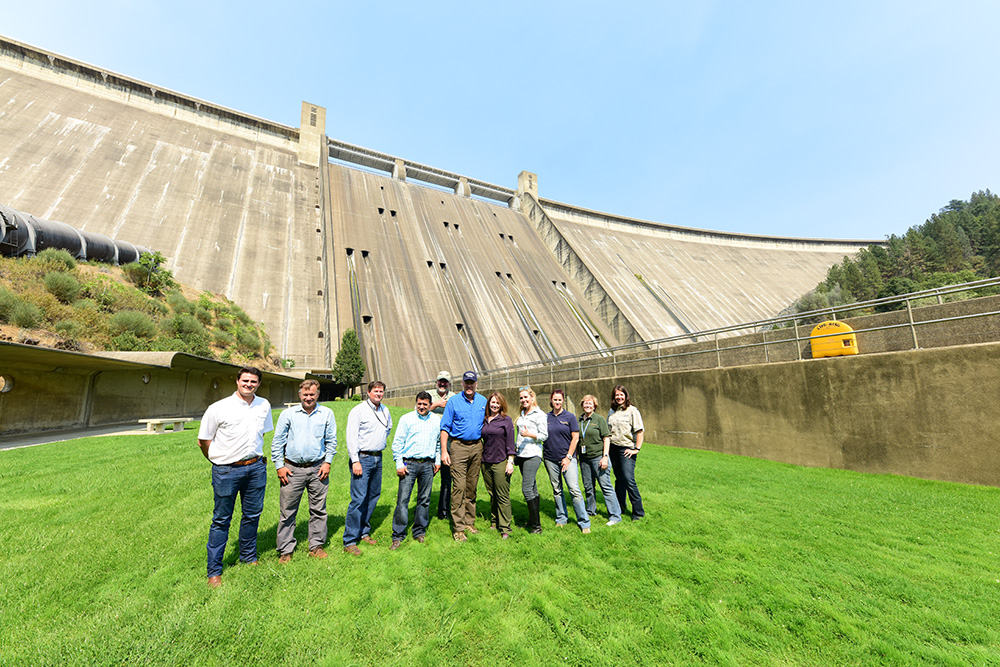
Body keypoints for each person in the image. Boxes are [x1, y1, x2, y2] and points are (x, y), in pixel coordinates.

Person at [197, 366, 273, 588]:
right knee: (221, 520)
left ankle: (248, 557)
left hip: (256, 468)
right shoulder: (219, 408)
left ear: (258, 384)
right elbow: (204, 440)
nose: (249, 384)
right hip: (226, 471)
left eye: (253, 381)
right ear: (237, 381)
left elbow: (262, 433)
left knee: (252, 515)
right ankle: (214, 572)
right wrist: (217, 460)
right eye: (245, 380)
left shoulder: (264, 405)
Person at [271, 379, 337, 563]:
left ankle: (316, 546)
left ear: (318, 394)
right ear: (300, 395)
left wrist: (328, 463)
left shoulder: (327, 414)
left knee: (318, 510)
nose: (309, 398)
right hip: (292, 470)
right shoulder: (288, 414)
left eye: (312, 394)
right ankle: (285, 549)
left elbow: (331, 441)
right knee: (288, 511)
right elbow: (277, 442)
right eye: (305, 394)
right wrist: (279, 466)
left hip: (318, 469)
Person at [343, 380, 392, 555]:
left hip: (378, 458)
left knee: (373, 496)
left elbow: (388, 429)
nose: (379, 394)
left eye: (381, 391)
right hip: (362, 459)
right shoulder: (358, 410)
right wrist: (355, 460)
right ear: (368, 392)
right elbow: (351, 437)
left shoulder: (385, 410)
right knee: (358, 499)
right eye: (376, 391)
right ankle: (349, 540)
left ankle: (364, 532)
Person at [439, 370, 487, 542]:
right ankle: (458, 527)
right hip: (458, 447)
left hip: (477, 447)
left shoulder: (483, 401)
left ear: (476, 384)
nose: (469, 385)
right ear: (462, 384)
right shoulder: (453, 402)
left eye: (472, 382)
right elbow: (444, 427)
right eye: (466, 382)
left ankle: (469, 521)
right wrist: (444, 451)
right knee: (459, 486)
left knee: (471, 486)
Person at [389, 391, 441, 550]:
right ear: (416, 403)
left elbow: (438, 443)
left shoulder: (436, 420)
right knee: (403, 500)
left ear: (430, 405)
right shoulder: (407, 419)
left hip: (428, 464)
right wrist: (399, 463)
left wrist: (437, 461)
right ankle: (398, 535)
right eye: (419, 404)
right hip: (409, 464)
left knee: (424, 499)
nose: (422, 407)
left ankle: (419, 531)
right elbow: (397, 443)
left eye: (425, 404)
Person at [543, 389, 591, 533]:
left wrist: (568, 457)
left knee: (574, 489)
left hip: (568, 459)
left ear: (563, 401)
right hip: (550, 459)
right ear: (551, 400)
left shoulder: (569, 417)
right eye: (555, 399)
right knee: (557, 490)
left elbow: (575, 438)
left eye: (559, 400)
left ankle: (584, 522)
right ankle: (561, 518)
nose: (557, 402)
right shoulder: (546, 417)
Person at [577, 394, 622, 526]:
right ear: (582, 405)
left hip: (598, 457)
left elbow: (606, 438)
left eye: (590, 403)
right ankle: (591, 510)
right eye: (585, 403)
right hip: (584, 458)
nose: (588, 405)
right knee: (588, 487)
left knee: (605, 486)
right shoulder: (579, 420)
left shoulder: (599, 419)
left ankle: (615, 516)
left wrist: (605, 457)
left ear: (594, 406)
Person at [480, 391, 516, 539]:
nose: (494, 405)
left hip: (500, 461)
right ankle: (494, 520)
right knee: (492, 493)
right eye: (492, 402)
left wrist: (510, 461)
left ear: (501, 404)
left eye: (497, 402)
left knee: (502, 495)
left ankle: (505, 527)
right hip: (485, 462)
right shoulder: (484, 419)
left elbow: (510, 443)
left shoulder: (506, 420)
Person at [607, 384, 645, 521]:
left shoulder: (632, 410)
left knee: (629, 479)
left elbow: (640, 431)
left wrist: (636, 449)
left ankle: (638, 512)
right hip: (613, 448)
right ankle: (620, 507)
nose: (619, 397)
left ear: (625, 395)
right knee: (619, 479)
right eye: (616, 395)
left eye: (621, 394)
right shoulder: (612, 412)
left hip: (626, 449)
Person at [514, 387, 548, 534]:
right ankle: (532, 521)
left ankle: (537, 527)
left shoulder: (539, 414)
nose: (523, 400)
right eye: (521, 398)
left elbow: (544, 435)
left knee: (526, 488)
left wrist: (530, 434)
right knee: (532, 488)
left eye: (526, 397)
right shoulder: (522, 413)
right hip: (521, 454)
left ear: (532, 397)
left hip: (533, 455)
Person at [430, 371, 455, 520]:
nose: (442, 384)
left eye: (445, 382)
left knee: (447, 479)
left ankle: (443, 512)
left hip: (448, 444)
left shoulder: (455, 397)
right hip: (430, 444)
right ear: (436, 382)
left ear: (449, 383)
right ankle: (421, 510)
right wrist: (437, 404)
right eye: (440, 381)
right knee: (427, 479)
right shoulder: (428, 395)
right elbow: (417, 410)